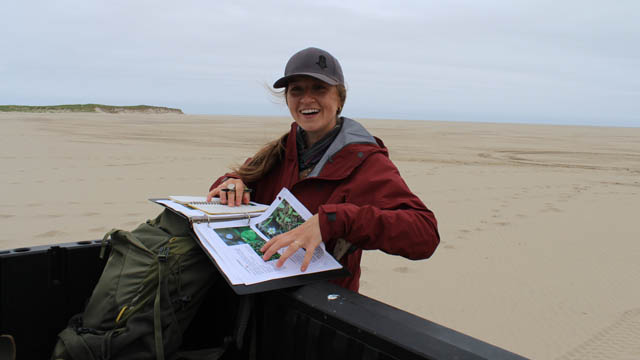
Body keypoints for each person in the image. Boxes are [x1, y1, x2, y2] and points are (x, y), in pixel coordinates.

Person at [207, 47, 439, 292]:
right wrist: (232, 182)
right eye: (297, 90)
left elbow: (424, 234)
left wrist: (333, 221)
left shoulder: (366, 162)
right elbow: (226, 189)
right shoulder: (281, 151)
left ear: (339, 99)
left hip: (320, 309)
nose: (307, 99)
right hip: (259, 296)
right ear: (287, 99)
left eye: (319, 88)